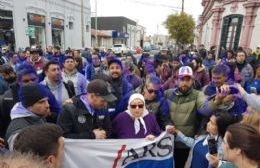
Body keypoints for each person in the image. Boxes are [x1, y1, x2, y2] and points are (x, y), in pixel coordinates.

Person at [164, 66, 212, 168]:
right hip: (166, 140)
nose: (185, 83)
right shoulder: (168, 93)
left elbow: (205, 109)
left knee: (179, 165)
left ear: (192, 81)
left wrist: (217, 102)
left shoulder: (198, 95)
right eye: (182, 79)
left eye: (188, 79)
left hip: (183, 142)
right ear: (177, 80)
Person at [173, 113, 239, 168]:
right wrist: (178, 133)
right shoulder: (203, 137)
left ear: (220, 127)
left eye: (212, 123)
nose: (208, 124)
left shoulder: (222, 148)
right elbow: (193, 143)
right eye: (209, 121)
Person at [5, 83, 50, 149]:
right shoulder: (18, 129)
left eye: (47, 101)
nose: (47, 105)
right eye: (41, 102)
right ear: (28, 106)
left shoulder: (37, 116)